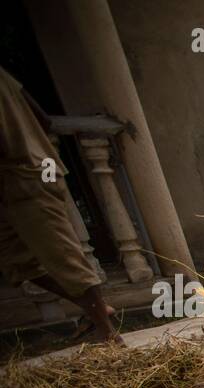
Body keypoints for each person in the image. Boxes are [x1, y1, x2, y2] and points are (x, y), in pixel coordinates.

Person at [0, 66, 122, 345]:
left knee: (64, 255)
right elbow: (43, 119)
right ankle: (97, 310)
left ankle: (108, 335)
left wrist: (24, 145)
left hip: (25, 175)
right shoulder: (7, 77)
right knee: (16, 263)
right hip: (25, 175)